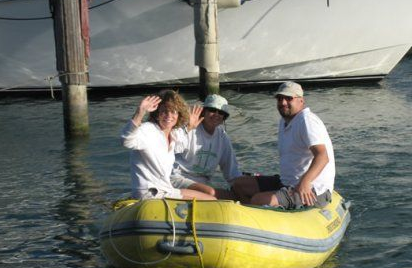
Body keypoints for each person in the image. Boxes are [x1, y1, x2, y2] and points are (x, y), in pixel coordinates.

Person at [233, 81, 335, 209]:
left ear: (301, 101)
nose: (283, 103)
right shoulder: (284, 121)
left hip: (313, 189)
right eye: (280, 98)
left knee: (258, 200)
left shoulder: (306, 121)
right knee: (239, 184)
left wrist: (305, 182)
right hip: (287, 182)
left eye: (289, 98)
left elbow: (322, 156)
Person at [120, 89, 216, 201]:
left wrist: (190, 126)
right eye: (164, 111)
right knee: (210, 201)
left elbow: (181, 135)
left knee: (211, 198)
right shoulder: (148, 130)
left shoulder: (172, 134)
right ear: (157, 114)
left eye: (173, 112)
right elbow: (126, 140)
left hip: (166, 190)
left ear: (178, 115)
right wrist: (140, 112)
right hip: (150, 194)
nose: (169, 116)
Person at [171, 94, 243, 199]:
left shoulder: (223, 137)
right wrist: (187, 128)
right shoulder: (189, 128)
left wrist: (242, 186)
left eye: (221, 113)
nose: (216, 115)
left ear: (224, 117)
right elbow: (170, 147)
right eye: (212, 110)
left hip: (202, 184)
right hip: (178, 178)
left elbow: (231, 171)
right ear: (204, 112)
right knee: (210, 193)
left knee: (235, 195)